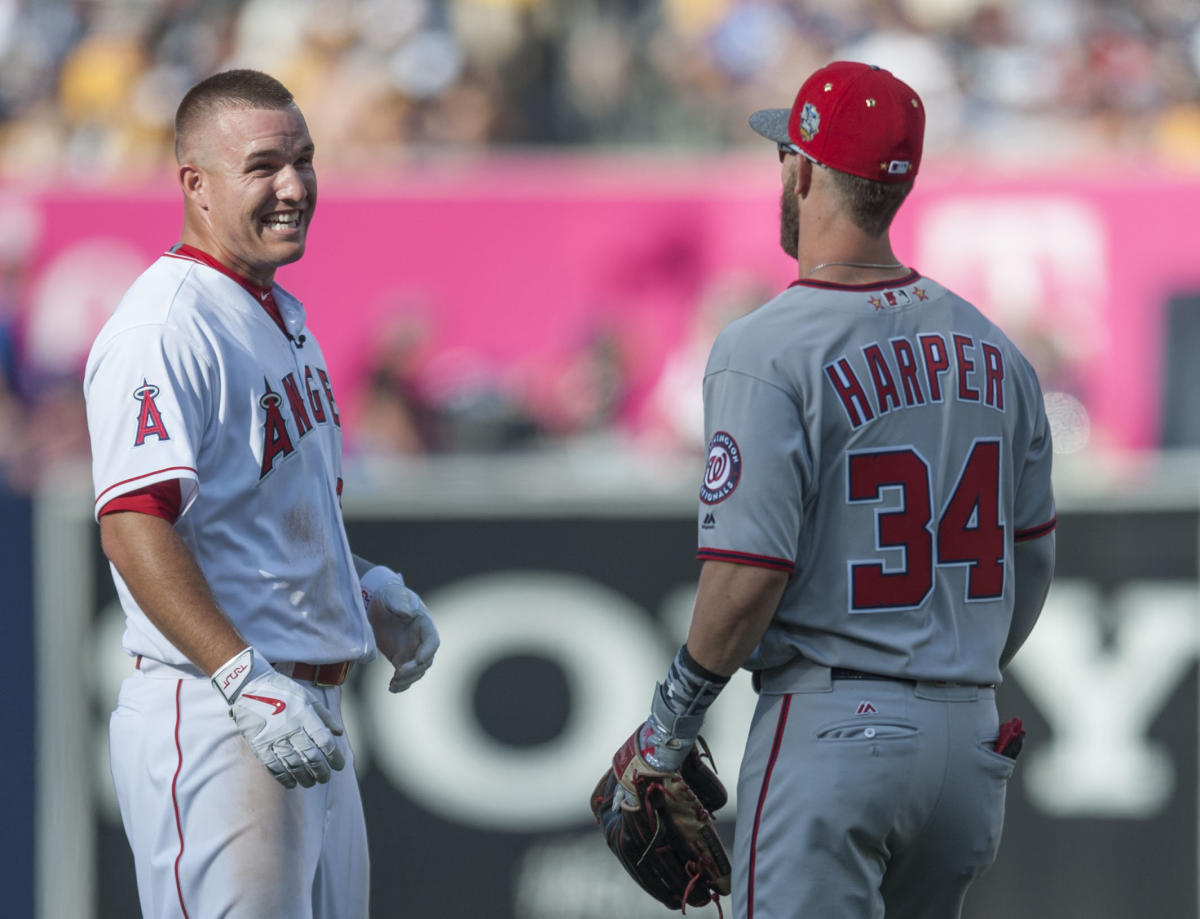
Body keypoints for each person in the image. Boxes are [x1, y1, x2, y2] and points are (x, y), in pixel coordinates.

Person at [613, 61, 1056, 918]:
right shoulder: (995, 348)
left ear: (805, 169)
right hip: (968, 740)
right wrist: (954, 676)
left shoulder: (767, 346)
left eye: (785, 151)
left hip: (835, 727)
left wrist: (671, 722)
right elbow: (1030, 564)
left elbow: (746, 575)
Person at [83, 69, 440, 919]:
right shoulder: (166, 324)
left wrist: (359, 586)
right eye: (264, 165)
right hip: (218, 706)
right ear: (194, 183)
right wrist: (241, 675)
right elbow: (132, 523)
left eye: (305, 160)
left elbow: (251, 519)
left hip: (303, 707)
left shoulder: (276, 312)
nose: (294, 186)